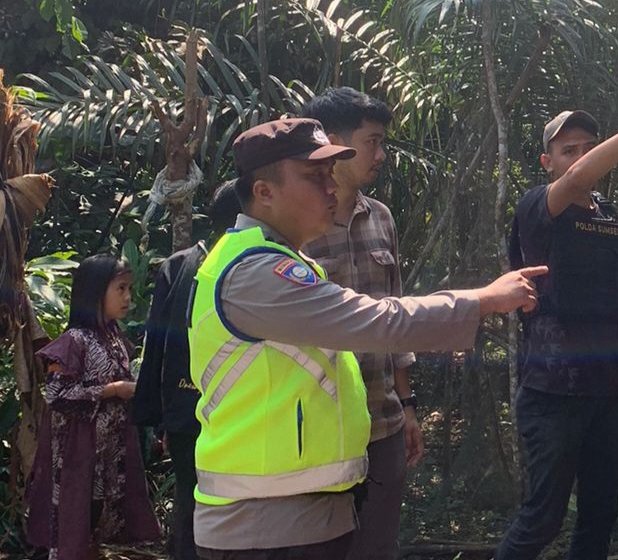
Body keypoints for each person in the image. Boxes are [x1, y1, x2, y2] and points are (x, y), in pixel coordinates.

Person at [190, 117, 545, 560]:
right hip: (266, 528)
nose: (331, 188)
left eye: (330, 175)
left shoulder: (274, 260)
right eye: (314, 177)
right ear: (264, 193)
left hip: (294, 516)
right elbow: (379, 320)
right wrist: (481, 300)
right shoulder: (257, 274)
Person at [496, 94, 618, 560]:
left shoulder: (606, 216)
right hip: (553, 392)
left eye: (588, 145)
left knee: (600, 514)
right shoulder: (538, 208)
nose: (581, 156)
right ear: (548, 162)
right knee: (542, 517)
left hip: (605, 391)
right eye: (570, 150)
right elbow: (577, 179)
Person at [300, 88, 420, 560]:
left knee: (378, 547)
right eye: (372, 141)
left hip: (383, 420)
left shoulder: (382, 218)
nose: (382, 154)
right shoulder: (296, 225)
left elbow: (398, 314)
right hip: (318, 428)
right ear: (335, 143)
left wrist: (408, 404)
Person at [132, 180, 241, 560]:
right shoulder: (188, 267)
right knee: (200, 504)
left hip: (191, 413)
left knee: (195, 504)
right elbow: (157, 343)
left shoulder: (182, 265)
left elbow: (154, 346)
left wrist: (155, 413)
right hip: (213, 416)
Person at [27, 255, 160, 560]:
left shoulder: (114, 337)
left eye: (129, 288)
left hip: (110, 451)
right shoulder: (73, 341)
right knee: (77, 517)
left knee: (100, 519)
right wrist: (112, 390)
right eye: (121, 288)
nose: (128, 297)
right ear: (96, 291)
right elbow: (57, 394)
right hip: (79, 453)